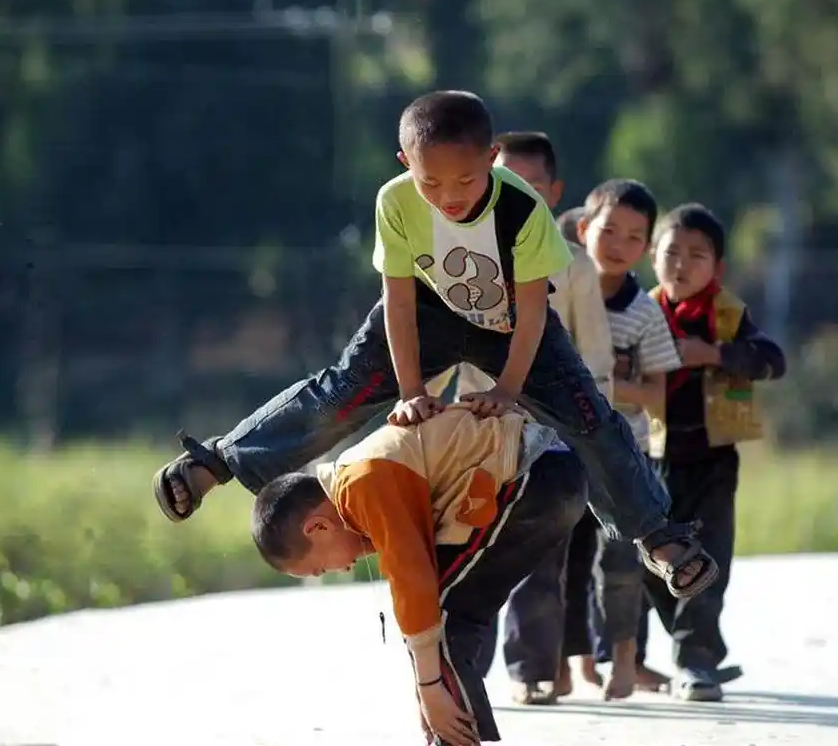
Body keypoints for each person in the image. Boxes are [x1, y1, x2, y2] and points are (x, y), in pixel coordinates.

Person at [152, 90, 719, 601]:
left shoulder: (522, 207)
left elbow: (531, 312)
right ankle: (217, 462)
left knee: (588, 416)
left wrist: (508, 390)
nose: (449, 196)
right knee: (342, 392)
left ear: (491, 158)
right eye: (431, 183)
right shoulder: (395, 202)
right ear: (406, 163)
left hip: (510, 322)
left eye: (466, 181)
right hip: (426, 314)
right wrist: (409, 391)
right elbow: (397, 303)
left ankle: (658, 536)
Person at [250, 405, 589, 745]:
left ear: (318, 528)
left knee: (441, 618)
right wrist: (426, 690)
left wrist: (429, 688)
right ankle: (449, 734)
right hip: (551, 474)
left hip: (533, 475)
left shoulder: (361, 482)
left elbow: (413, 582)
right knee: (438, 616)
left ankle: (453, 738)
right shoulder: (359, 481)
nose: (341, 570)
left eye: (321, 568)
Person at [424, 131, 616, 707]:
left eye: (532, 186)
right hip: (477, 433)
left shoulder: (574, 268)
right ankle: (466, 671)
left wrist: (594, 431)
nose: (518, 194)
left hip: (549, 435)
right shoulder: (463, 261)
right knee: (469, 546)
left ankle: (533, 669)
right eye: (506, 182)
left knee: (539, 552)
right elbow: (438, 349)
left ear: (554, 194)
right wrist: (420, 405)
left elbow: (596, 356)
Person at [643, 203, 787, 702]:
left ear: (717, 267)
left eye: (697, 255)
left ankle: (696, 660)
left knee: (707, 558)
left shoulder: (728, 314)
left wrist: (714, 355)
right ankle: (691, 646)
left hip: (712, 458)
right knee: (650, 561)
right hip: (649, 456)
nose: (681, 264)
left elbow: (772, 361)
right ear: (652, 257)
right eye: (671, 253)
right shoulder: (639, 311)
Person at [575, 179, 682, 700]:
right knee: (563, 563)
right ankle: (575, 664)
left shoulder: (644, 312)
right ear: (583, 230)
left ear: (646, 247)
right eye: (609, 230)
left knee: (620, 560)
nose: (618, 245)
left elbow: (657, 396)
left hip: (622, 451)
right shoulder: (556, 295)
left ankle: (624, 661)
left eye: (634, 237)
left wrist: (599, 386)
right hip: (558, 447)